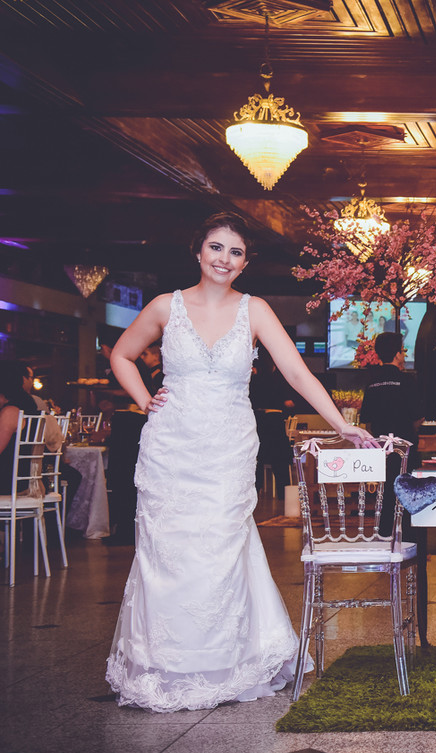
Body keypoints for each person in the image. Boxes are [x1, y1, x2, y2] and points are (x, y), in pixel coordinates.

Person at [104, 211, 377, 713]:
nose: (224, 259)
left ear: (245, 263)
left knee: (222, 548)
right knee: (167, 552)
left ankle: (226, 661)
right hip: (170, 448)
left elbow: (297, 372)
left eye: (235, 252)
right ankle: (166, 664)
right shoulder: (165, 306)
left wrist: (341, 424)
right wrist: (145, 400)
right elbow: (121, 355)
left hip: (227, 448)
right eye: (216, 247)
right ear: (198, 251)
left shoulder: (256, 310)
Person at [360, 331, 429, 646]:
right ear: (398, 353)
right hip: (405, 448)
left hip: (381, 449)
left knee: (386, 492)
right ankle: (408, 536)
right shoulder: (408, 381)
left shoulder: (372, 383)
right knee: (407, 489)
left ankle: (385, 534)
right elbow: (418, 417)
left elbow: (367, 420)